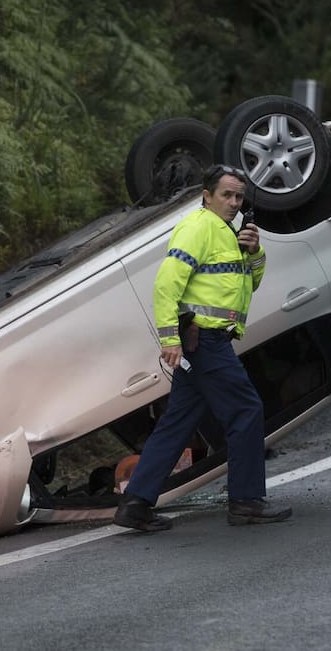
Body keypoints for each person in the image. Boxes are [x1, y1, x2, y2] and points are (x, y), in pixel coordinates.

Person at [113, 164, 293, 532]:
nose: (233, 202)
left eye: (239, 196)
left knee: (177, 423)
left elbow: (247, 285)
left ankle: (135, 504)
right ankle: (246, 502)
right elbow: (166, 284)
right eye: (226, 195)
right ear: (206, 196)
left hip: (207, 340)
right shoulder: (198, 227)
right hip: (206, 341)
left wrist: (254, 253)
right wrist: (169, 339)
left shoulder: (227, 233)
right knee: (246, 410)